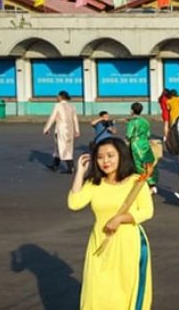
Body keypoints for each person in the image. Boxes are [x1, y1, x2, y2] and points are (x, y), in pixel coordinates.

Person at [68, 137, 153, 310]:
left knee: (124, 291)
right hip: (99, 245)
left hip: (128, 245)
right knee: (96, 291)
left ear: (121, 156)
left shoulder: (136, 181)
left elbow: (147, 211)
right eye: (100, 157)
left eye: (110, 155)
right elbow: (74, 203)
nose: (105, 161)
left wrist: (121, 218)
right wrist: (80, 173)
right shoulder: (94, 183)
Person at [43, 90, 80, 173]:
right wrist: (77, 130)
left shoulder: (57, 106)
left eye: (57, 96)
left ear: (60, 97)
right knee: (63, 148)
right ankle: (55, 166)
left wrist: (46, 128)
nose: (56, 98)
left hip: (60, 130)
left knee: (62, 147)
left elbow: (52, 117)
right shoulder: (72, 106)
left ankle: (71, 167)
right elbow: (75, 119)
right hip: (69, 130)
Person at [126, 102, 158, 194]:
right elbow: (148, 134)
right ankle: (152, 183)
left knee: (139, 164)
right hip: (145, 143)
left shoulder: (132, 122)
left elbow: (129, 134)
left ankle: (146, 183)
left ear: (132, 110)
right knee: (149, 163)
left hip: (136, 144)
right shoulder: (145, 121)